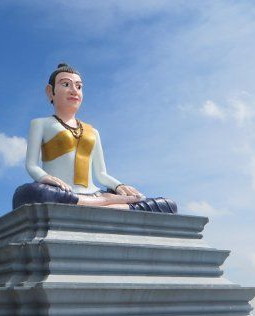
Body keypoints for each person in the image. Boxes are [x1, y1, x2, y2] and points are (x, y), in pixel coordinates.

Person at [13, 63, 177, 214]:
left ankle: (98, 202)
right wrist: (44, 178)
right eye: (66, 84)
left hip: (93, 192)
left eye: (79, 86)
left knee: (168, 205)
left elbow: (101, 173)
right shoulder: (41, 124)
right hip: (61, 193)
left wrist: (119, 186)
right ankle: (107, 204)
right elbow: (31, 165)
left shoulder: (93, 131)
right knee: (29, 193)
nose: (74, 90)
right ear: (50, 91)